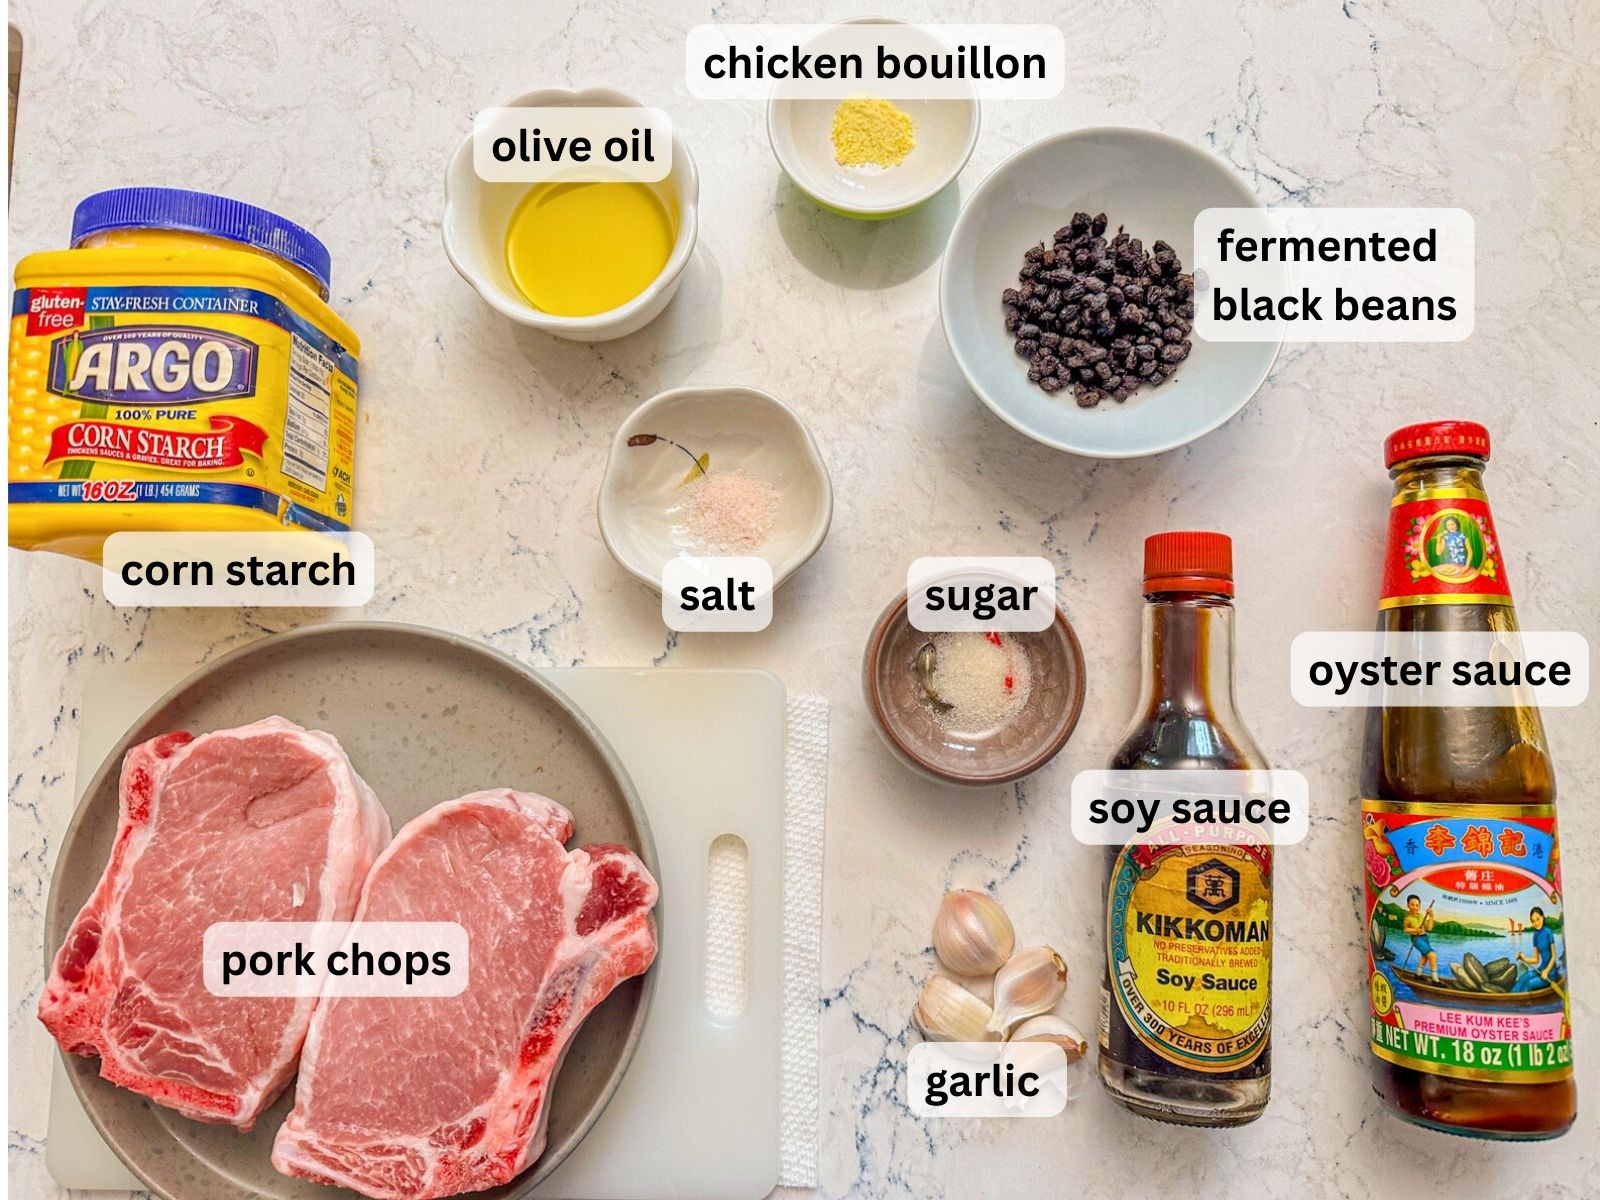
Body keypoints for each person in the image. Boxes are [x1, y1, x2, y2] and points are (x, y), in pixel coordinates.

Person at [1513, 906, 1563, 992]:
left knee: (1529, 983)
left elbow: (1554, 955)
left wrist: (1546, 972)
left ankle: (1520, 1002)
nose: (1536, 923)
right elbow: (1536, 959)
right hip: (1541, 970)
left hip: (1550, 974)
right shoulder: (1535, 936)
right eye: (1533, 921)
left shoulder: (1548, 932)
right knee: (1523, 978)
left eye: (1538, 919)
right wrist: (1523, 957)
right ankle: (1511, 998)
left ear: (1542, 917)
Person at [1403, 895, 1438, 982]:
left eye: (1417, 905)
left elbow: (1429, 928)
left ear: (1419, 906)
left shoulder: (1421, 916)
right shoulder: (1408, 918)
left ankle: (1418, 975)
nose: (1415, 907)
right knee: (1432, 955)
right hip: (1416, 938)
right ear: (1408, 905)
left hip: (1424, 937)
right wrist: (1415, 930)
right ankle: (1435, 980)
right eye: (1412, 904)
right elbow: (1405, 929)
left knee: (1425, 956)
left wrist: (1431, 917)